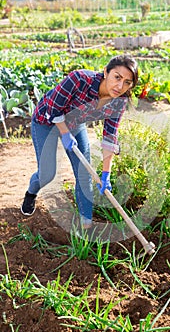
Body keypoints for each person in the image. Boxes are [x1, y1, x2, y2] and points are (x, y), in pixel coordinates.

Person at [21, 54, 138, 233]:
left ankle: (86, 226)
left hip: (75, 123)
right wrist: (65, 133)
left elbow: (110, 137)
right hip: (47, 120)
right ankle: (31, 193)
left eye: (127, 82)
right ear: (106, 72)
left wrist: (106, 173)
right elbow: (53, 107)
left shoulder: (118, 102)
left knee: (85, 174)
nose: (120, 86)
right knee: (47, 174)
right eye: (117, 77)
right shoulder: (79, 79)